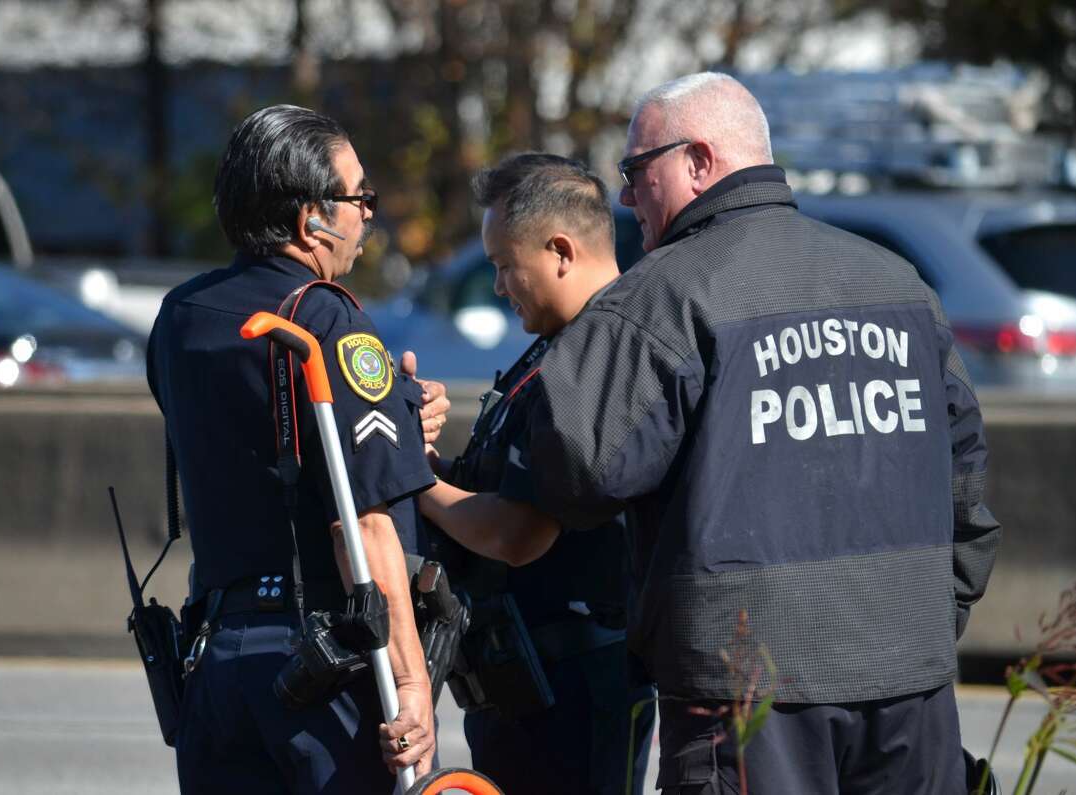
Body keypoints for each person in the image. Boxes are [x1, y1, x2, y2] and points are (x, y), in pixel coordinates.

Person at [521, 73, 1003, 793]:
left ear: (699, 161)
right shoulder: (900, 284)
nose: (626, 196)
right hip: (911, 683)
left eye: (635, 171)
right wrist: (927, 616)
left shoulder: (666, 293)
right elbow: (966, 476)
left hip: (746, 692)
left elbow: (577, 468)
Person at [147, 105, 450, 793]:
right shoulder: (326, 315)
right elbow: (364, 520)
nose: (369, 214)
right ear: (310, 217)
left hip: (215, 659)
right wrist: (409, 681)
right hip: (317, 663)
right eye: (358, 197)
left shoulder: (180, 317)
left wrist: (393, 411)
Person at [416, 153, 655, 795]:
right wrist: (435, 470)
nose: (498, 286)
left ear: (559, 251)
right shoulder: (561, 342)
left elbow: (518, 533)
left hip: (572, 689)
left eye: (503, 265)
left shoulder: (601, 356)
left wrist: (410, 481)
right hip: (530, 686)